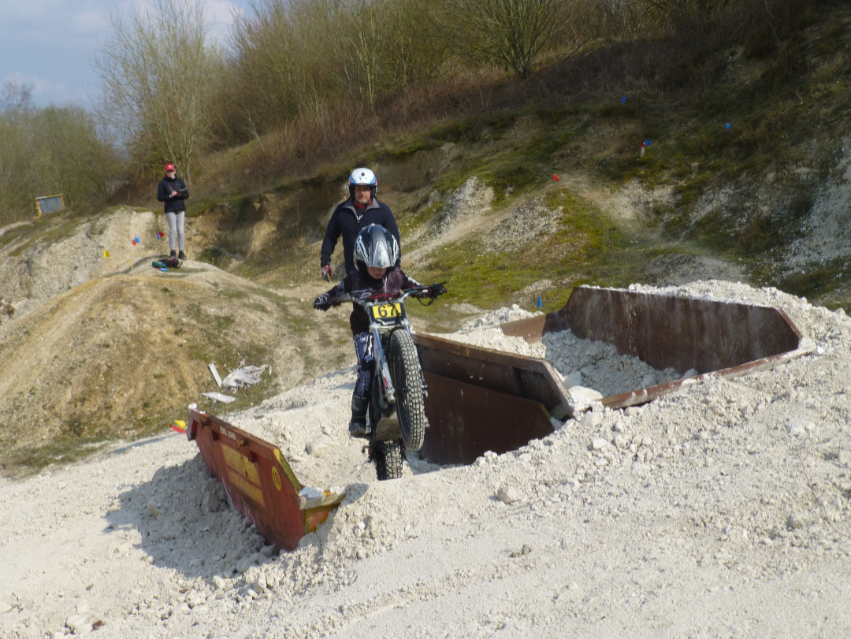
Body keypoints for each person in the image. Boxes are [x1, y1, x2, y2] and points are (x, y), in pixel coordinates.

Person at [314, 225, 445, 438]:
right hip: (365, 330)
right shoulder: (354, 280)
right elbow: (335, 291)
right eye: (374, 265)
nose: (379, 269)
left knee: (414, 352)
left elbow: (415, 286)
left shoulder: (396, 276)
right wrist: (326, 299)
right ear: (362, 260)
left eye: (384, 265)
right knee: (367, 366)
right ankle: (357, 418)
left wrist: (430, 289)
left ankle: (415, 407)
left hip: (394, 326)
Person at [320, 168, 400, 281]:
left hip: (378, 272)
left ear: (372, 190)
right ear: (352, 190)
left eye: (366, 189)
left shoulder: (383, 210)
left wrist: (396, 267)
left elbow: (394, 239)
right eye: (358, 189)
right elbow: (330, 236)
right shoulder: (341, 211)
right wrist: (325, 261)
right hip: (352, 273)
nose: (362, 192)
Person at [156, 163, 189, 260]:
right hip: (170, 208)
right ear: (166, 172)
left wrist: (180, 194)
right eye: (168, 171)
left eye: (172, 171)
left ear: (175, 171)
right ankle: (173, 251)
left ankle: (181, 252)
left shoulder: (180, 181)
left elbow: (187, 194)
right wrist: (169, 196)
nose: (170, 173)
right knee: (172, 230)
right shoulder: (163, 183)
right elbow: (159, 197)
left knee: (181, 230)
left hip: (180, 208)